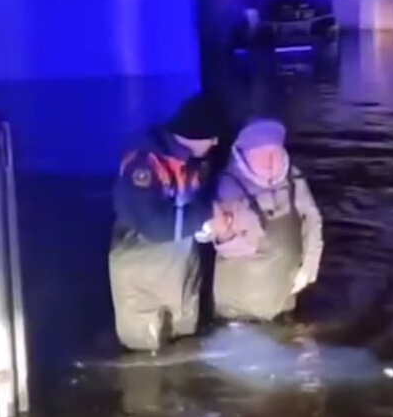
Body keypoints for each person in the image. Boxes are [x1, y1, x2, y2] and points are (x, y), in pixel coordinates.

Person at [109, 91, 232, 352]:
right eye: (212, 137)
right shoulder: (143, 164)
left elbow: (188, 217)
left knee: (184, 361)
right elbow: (153, 225)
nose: (215, 143)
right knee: (146, 370)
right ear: (197, 134)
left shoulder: (191, 164)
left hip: (181, 277)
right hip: (144, 285)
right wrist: (207, 214)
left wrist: (209, 228)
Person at [211, 118, 324, 321]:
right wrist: (227, 233)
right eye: (261, 155)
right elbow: (242, 244)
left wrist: (309, 268)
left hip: (285, 301)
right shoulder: (229, 187)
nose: (270, 162)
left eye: (275, 153)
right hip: (238, 311)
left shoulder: (294, 179)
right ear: (243, 156)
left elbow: (312, 219)